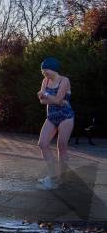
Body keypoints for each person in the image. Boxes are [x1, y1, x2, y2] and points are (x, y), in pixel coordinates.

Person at [36, 57, 74, 190]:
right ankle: (52, 174)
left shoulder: (64, 80)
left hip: (66, 116)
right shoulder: (45, 81)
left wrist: (46, 94)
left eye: (45, 71)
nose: (44, 73)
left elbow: (57, 100)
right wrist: (53, 99)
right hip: (51, 117)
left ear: (52, 69)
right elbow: (42, 101)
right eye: (42, 71)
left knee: (62, 146)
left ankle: (62, 178)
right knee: (42, 143)